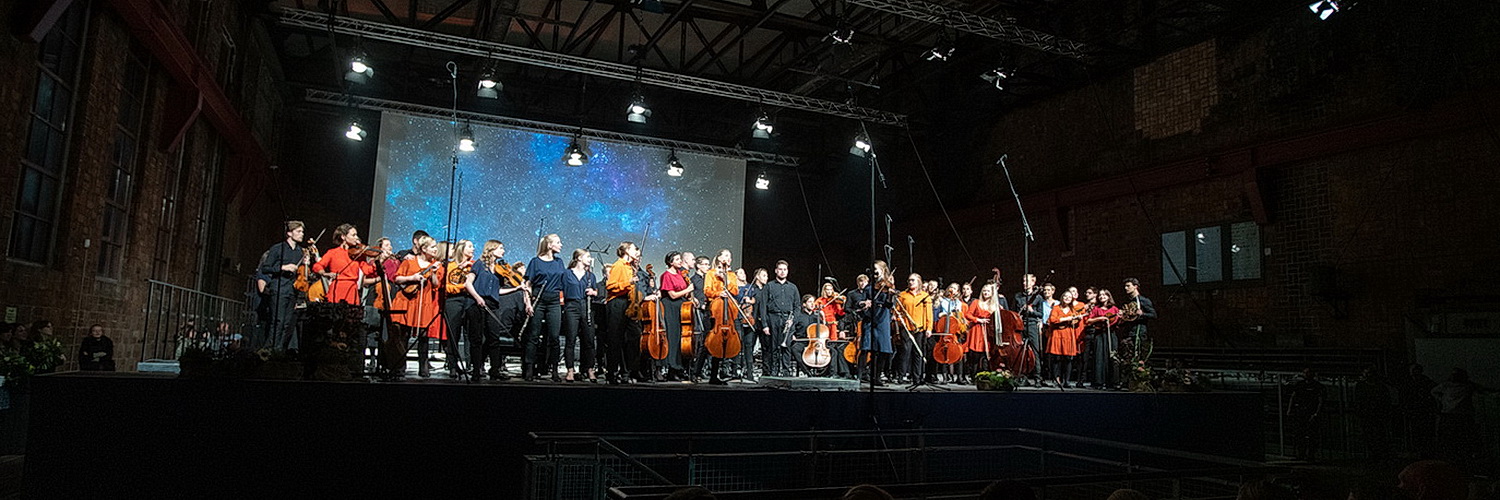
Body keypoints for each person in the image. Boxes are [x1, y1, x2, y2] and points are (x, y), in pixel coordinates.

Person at [604, 241, 657, 384]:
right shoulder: (618, 265)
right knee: (615, 339)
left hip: (630, 304)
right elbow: (610, 286)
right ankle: (612, 373)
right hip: (618, 303)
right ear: (626, 250)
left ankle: (628, 372)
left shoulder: (630, 267)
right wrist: (629, 282)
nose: (637, 252)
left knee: (633, 338)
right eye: (634, 249)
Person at [470, 240, 523, 381]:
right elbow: (468, 283)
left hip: (492, 305)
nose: (503, 251)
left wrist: (516, 288)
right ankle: (476, 371)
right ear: (492, 249)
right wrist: (477, 297)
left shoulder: (499, 270)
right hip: (477, 303)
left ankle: (495, 370)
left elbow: (497, 291)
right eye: (500, 248)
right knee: (477, 339)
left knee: (494, 338)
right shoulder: (480, 264)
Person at [391, 235, 443, 377]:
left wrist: (433, 273)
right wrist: (412, 278)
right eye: (432, 247)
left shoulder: (435, 264)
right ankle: (400, 368)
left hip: (424, 302)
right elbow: (397, 278)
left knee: (423, 336)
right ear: (424, 248)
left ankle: (424, 368)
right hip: (408, 301)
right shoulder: (409, 261)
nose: (435, 249)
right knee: (404, 335)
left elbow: (436, 284)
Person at [257, 220, 310, 351]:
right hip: (279, 288)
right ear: (289, 233)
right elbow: (266, 268)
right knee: (278, 320)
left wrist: (306, 264)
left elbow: (303, 274)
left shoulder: (300, 251)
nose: (302, 234)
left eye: (302, 231)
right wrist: (283, 267)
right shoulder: (277, 248)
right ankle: (270, 348)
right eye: (298, 231)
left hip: (293, 290)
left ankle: (280, 349)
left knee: (287, 323)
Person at [524, 234, 568, 382]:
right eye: (558, 242)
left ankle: (554, 370)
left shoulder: (559, 262)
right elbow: (528, 284)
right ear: (549, 245)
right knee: (534, 335)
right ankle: (529, 368)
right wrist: (528, 303)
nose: (561, 245)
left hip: (554, 301)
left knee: (554, 337)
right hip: (539, 300)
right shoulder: (535, 262)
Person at [439, 240, 483, 378]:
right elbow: (446, 286)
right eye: (469, 246)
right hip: (453, 300)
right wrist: (462, 287)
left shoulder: (475, 265)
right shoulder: (450, 266)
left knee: (472, 334)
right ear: (461, 249)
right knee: (454, 333)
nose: (473, 249)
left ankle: (473, 366)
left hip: (470, 300)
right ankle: (453, 365)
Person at [701, 249, 742, 384]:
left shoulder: (731, 275)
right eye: (726, 255)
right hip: (714, 311)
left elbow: (735, 291)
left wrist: (726, 280)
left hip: (727, 312)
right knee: (708, 343)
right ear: (719, 258)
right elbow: (707, 291)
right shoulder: (711, 273)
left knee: (724, 343)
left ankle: (716, 375)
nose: (728, 258)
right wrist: (719, 293)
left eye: (730, 256)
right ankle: (697, 372)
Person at [311, 223, 377, 305]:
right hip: (337, 289)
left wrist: (378, 263)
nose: (356, 238)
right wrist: (325, 273)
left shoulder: (358, 254)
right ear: (343, 237)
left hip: (352, 290)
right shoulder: (333, 253)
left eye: (356, 235)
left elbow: (367, 270)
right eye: (353, 235)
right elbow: (317, 266)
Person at [558, 249, 598, 382]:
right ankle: (570, 370)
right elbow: (561, 290)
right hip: (571, 306)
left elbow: (596, 292)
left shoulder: (590, 276)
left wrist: (593, 292)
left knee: (589, 340)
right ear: (579, 258)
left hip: (586, 307)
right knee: (571, 339)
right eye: (588, 256)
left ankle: (589, 369)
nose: (590, 259)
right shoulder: (567, 274)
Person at [1430, 368, 1486, 462]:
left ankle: (1454, 457)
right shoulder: (1466, 386)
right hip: (1459, 415)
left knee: (1453, 438)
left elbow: (1433, 391)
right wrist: (1442, 400)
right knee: (1460, 438)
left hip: (1452, 415)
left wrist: (1442, 400)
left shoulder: (1451, 386)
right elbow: (1483, 390)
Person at [658, 251, 694, 381]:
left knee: (680, 338)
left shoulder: (680, 274)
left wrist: (689, 295)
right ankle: (671, 368)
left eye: (680, 259)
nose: (680, 261)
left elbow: (684, 292)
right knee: (672, 337)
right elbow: (672, 295)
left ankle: (678, 368)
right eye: (677, 259)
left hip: (681, 307)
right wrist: (687, 290)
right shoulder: (666, 275)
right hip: (670, 307)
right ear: (670, 262)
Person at [760, 260, 799, 377]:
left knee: (786, 347)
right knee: (773, 347)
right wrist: (765, 325)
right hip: (773, 318)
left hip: (788, 319)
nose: (782, 272)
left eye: (785, 269)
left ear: (787, 271)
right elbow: (763, 306)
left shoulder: (793, 287)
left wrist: (793, 320)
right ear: (776, 271)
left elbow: (797, 306)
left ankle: (786, 371)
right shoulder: (769, 286)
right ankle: (774, 371)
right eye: (780, 269)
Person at [1045, 288, 1087, 388]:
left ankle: (1067, 381)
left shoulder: (1073, 309)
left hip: (1068, 335)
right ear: (1062, 297)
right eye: (1065, 296)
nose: (1067, 298)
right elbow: (1052, 320)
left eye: (1069, 297)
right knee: (1057, 358)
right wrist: (1067, 318)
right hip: (1057, 334)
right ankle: (1056, 380)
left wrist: (1077, 320)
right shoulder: (1056, 308)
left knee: (1068, 358)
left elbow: (1075, 324)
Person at [896, 273, 934, 384]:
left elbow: (929, 314)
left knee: (918, 353)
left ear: (918, 282)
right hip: (906, 328)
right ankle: (902, 376)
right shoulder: (902, 295)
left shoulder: (925, 296)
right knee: (905, 351)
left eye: (913, 280)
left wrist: (929, 328)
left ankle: (917, 377)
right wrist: (899, 320)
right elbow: (897, 311)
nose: (910, 282)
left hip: (920, 329)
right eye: (909, 280)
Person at [1353, 365, 1395, 460]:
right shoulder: (1364, 386)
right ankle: (1374, 454)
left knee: (1378, 435)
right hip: (1368, 415)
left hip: (1376, 416)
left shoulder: (1368, 386)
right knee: (1370, 436)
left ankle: (1377, 454)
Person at [1010, 274, 1046, 384]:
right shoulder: (1018, 296)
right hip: (1020, 326)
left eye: (1027, 281)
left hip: (1032, 325)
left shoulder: (1038, 298)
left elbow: (1041, 314)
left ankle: (1037, 377)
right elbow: (1013, 312)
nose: (1024, 283)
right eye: (1023, 281)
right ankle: (1022, 376)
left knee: (1035, 351)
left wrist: (1031, 311)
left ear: (1033, 282)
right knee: (1020, 351)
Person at [1083, 289, 1120, 389]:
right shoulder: (1096, 308)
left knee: (1112, 357)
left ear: (1108, 296)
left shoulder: (1114, 309)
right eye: (1100, 295)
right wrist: (1100, 318)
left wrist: (1121, 317)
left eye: (1104, 295)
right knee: (1099, 357)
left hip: (1111, 334)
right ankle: (1098, 382)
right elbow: (1088, 321)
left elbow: (1118, 321)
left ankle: (1113, 382)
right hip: (1099, 334)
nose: (1102, 296)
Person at [1287, 368, 1326, 461]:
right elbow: (1293, 396)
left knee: (1312, 435)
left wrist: (1316, 413)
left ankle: (1310, 455)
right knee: (1299, 434)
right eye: (1305, 372)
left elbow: (1320, 400)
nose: (1306, 374)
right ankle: (1301, 454)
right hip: (1301, 412)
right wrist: (1290, 409)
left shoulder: (1317, 386)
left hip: (1311, 412)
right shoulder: (1300, 384)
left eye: (1308, 372)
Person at [963, 283, 1001, 377]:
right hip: (977, 330)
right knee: (975, 354)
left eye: (988, 291)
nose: (986, 293)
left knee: (986, 353)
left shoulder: (994, 305)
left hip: (988, 331)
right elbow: (968, 314)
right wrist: (978, 320)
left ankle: (985, 374)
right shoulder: (976, 302)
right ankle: (973, 374)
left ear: (992, 293)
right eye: (984, 291)